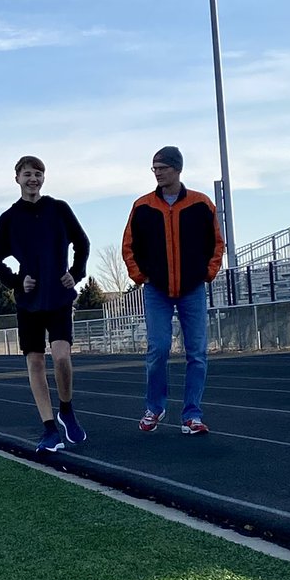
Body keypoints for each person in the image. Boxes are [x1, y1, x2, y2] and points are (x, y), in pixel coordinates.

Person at [0, 155, 90, 452]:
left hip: (58, 296)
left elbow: (83, 244)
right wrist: (16, 281)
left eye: (38, 174)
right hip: (28, 302)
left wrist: (76, 274)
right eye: (28, 174)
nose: (33, 179)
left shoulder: (59, 209)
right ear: (17, 178)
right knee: (34, 361)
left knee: (61, 357)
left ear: (44, 178)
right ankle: (49, 429)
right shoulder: (9, 218)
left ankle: (66, 409)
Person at [122, 146, 224, 435]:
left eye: (161, 167)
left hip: (192, 289)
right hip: (157, 291)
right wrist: (140, 276)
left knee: (197, 353)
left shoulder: (201, 204)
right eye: (153, 168)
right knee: (158, 348)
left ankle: (192, 415)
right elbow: (128, 246)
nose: (156, 172)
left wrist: (208, 272)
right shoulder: (142, 206)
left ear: (177, 169)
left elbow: (217, 243)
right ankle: (154, 408)